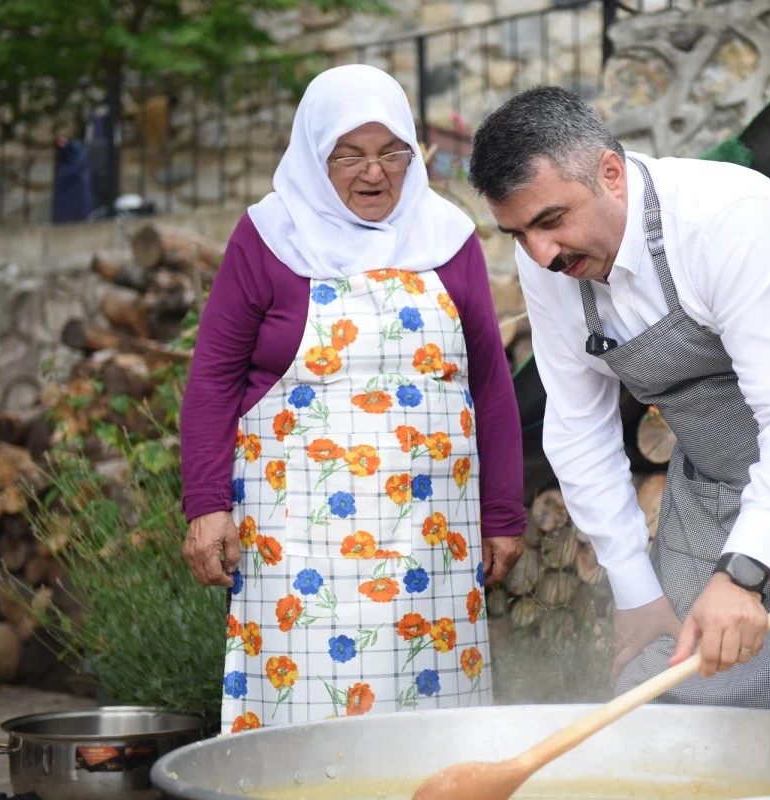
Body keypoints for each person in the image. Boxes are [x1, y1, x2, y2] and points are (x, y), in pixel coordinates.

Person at [466, 86, 770, 731]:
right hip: (718, 468)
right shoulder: (550, 261)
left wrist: (743, 574)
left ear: (610, 172)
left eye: (551, 221)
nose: (540, 254)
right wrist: (638, 594)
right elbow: (578, 428)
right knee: (667, 673)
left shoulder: (725, 217)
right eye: (517, 234)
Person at [180, 65, 525, 734]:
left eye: (392, 152)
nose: (375, 173)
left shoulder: (448, 238)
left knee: (431, 720)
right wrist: (205, 506)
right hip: (299, 542)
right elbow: (213, 378)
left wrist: (504, 511)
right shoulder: (268, 238)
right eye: (350, 155)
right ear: (315, 155)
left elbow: (489, 381)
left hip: (432, 536)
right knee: (308, 715)